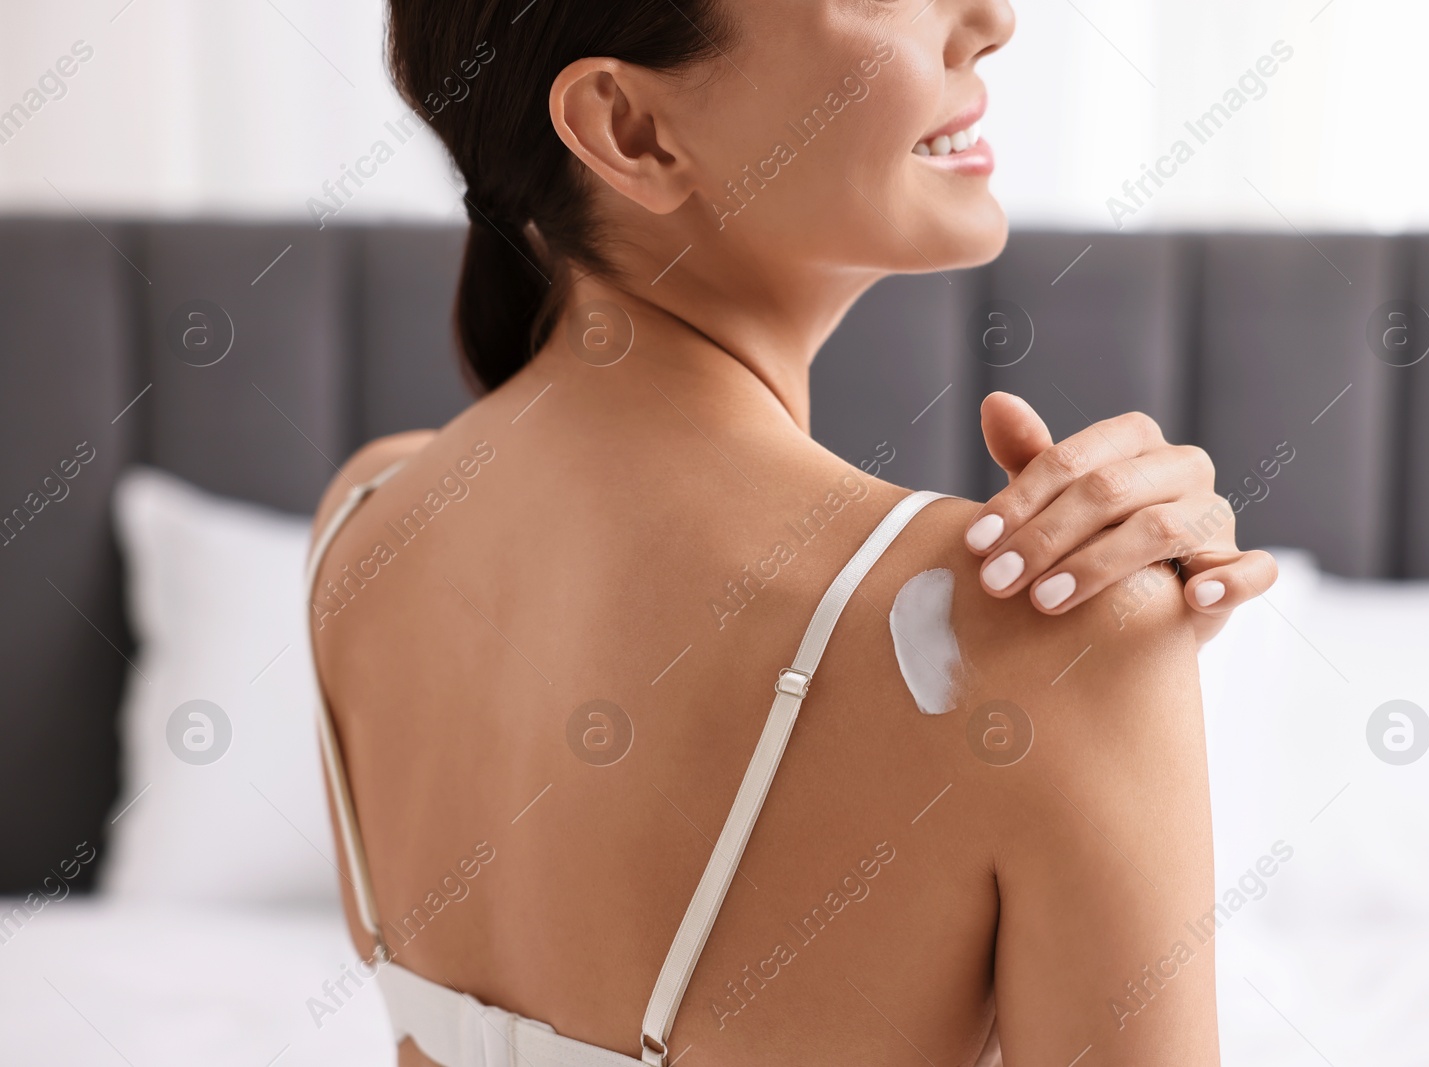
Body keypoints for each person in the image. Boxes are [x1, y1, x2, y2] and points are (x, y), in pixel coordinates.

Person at [307, 1, 1274, 1063]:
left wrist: (1100, 701)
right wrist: (1099, 676)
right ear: (631, 130)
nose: (990, 19)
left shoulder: (367, 521)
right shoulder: (1033, 634)